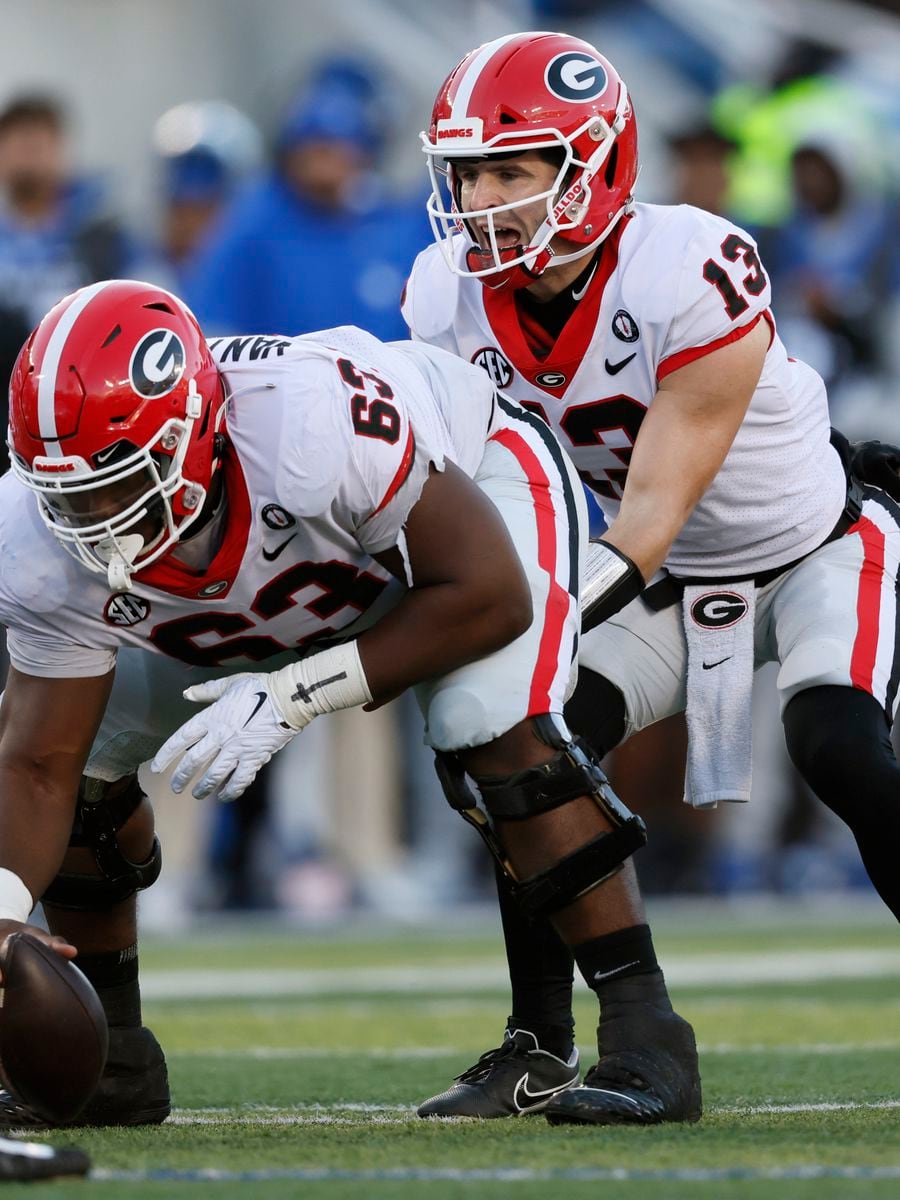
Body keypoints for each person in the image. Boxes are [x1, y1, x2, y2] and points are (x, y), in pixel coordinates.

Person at [0, 278, 666, 1128]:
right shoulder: (36, 533)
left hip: (455, 513)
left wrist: (295, 694)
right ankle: (113, 1064)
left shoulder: (312, 423)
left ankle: (644, 1030)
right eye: (66, 494)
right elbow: (37, 762)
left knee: (487, 726)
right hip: (258, 590)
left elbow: (491, 594)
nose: (91, 520)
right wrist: (4, 913)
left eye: (114, 483)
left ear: (193, 432)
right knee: (88, 771)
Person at [401, 30, 900, 1125]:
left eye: (510, 168)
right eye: (467, 171)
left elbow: (645, 526)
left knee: (841, 745)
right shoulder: (445, 294)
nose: (478, 196)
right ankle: (549, 1042)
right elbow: (470, 505)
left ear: (593, 166)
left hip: (802, 550)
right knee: (517, 747)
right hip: (660, 592)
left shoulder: (689, 265)